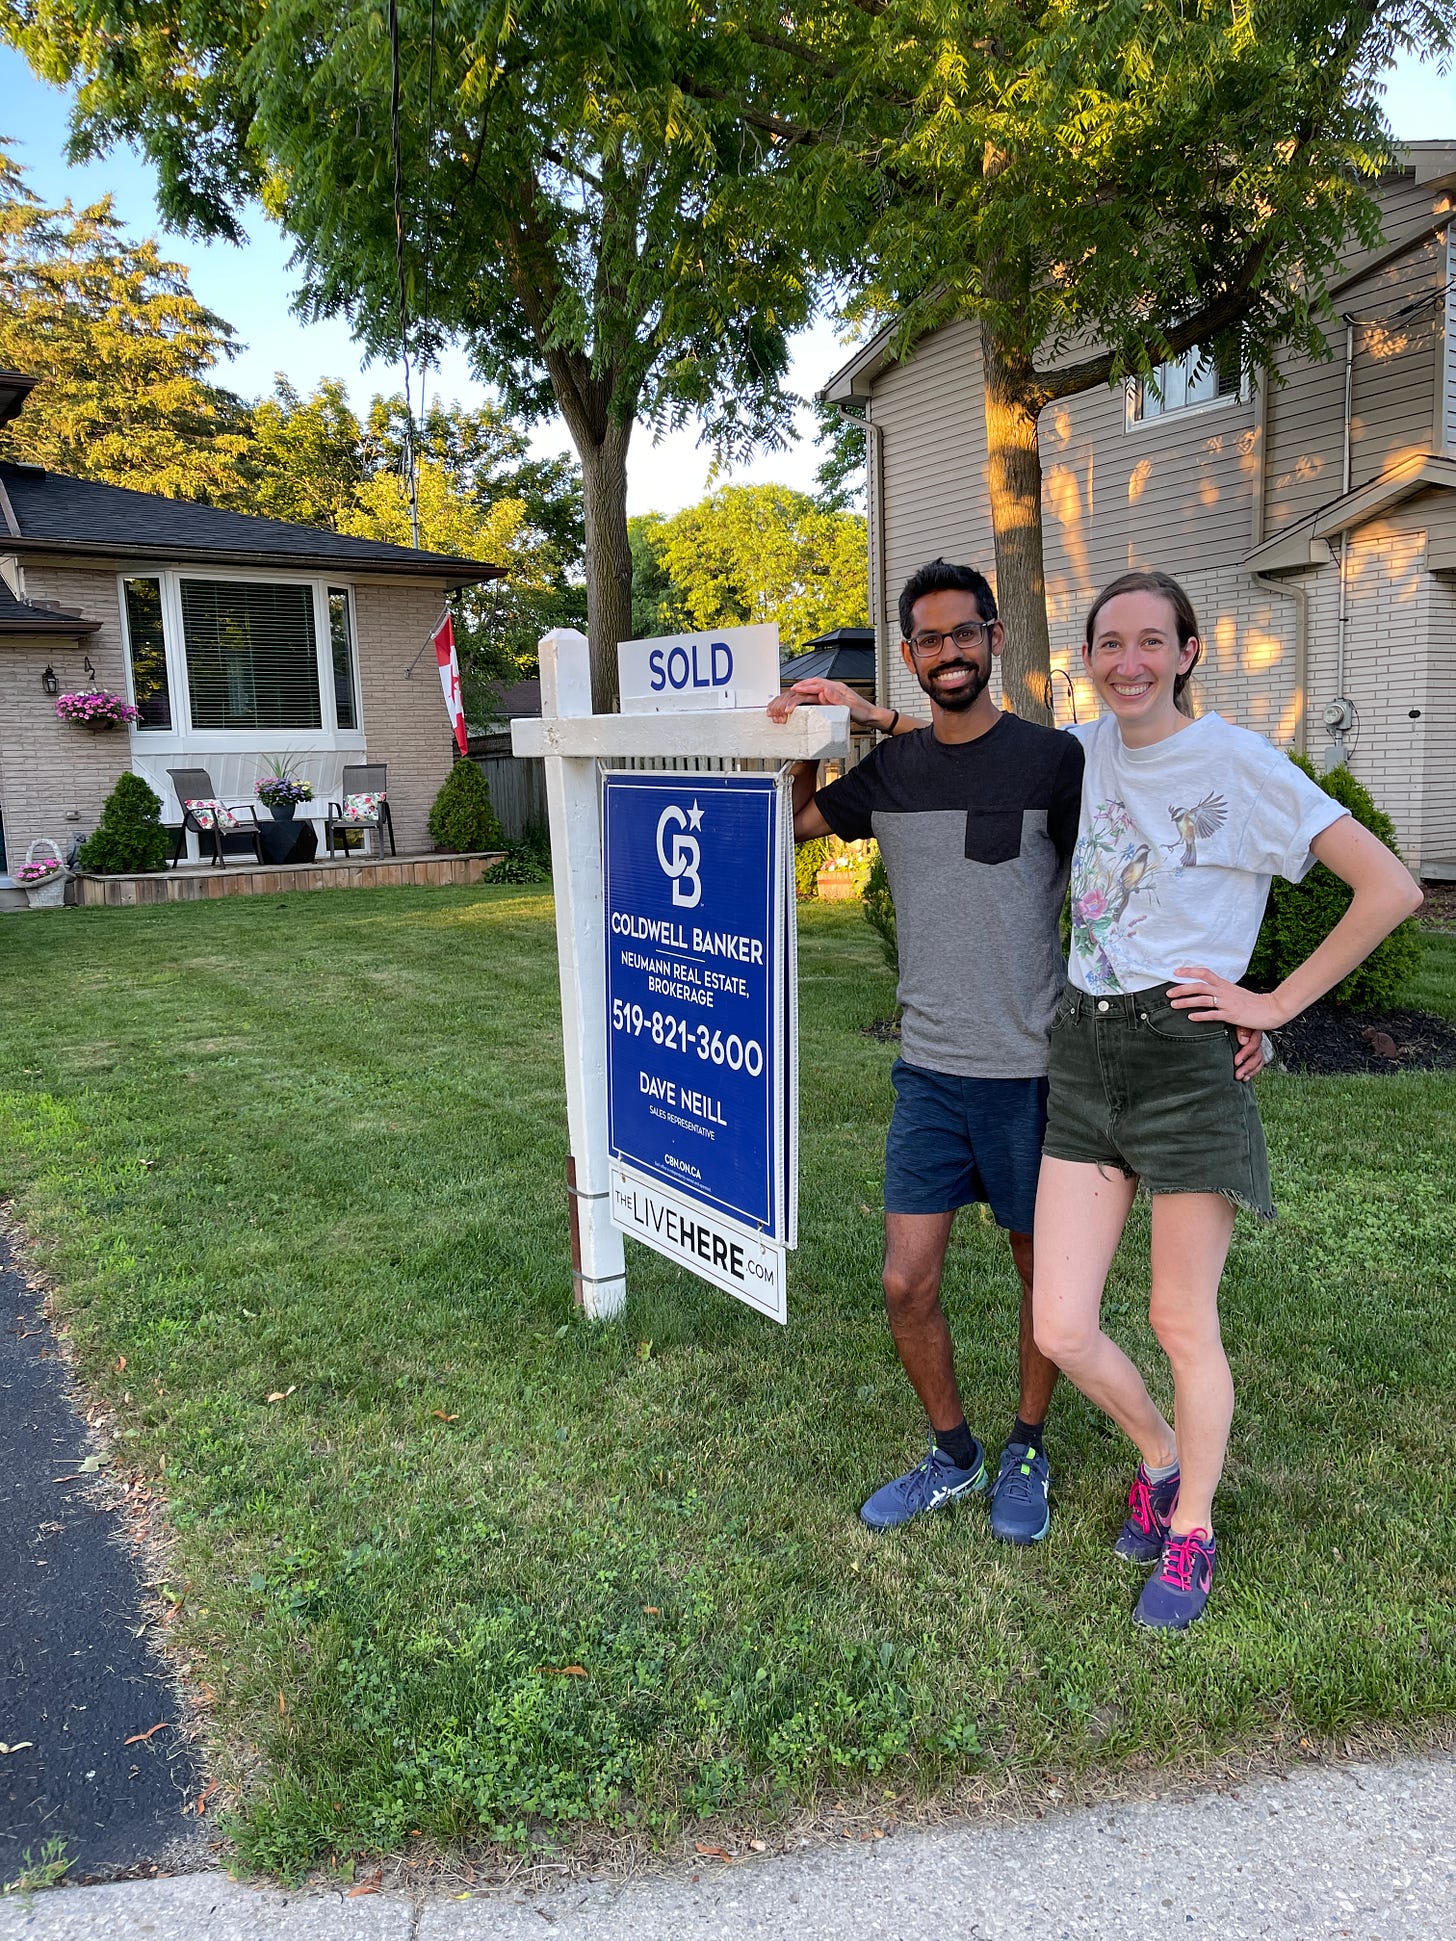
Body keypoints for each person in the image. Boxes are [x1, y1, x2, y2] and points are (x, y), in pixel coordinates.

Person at [771, 559, 1256, 1541]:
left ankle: (1027, 1444)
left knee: (1045, 1285)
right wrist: (815, 740)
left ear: (994, 639)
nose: (948, 652)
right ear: (909, 654)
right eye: (929, 639)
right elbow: (793, 826)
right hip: (927, 1072)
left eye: (965, 633)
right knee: (905, 1281)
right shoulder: (892, 773)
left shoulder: (1054, 762)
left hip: (1037, 1073)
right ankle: (953, 1453)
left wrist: (1238, 998)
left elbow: (1144, 874)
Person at [1031, 568, 1422, 1629]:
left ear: (1188, 652)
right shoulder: (1084, 748)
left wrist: (1271, 1005)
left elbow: (1390, 887)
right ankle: (1158, 1455)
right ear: (1088, 658)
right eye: (1109, 644)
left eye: (1151, 642)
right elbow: (977, 748)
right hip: (1084, 1052)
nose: (1129, 663)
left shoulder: (1240, 764)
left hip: (1183, 1058)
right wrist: (870, 712)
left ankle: (1192, 1526)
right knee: (1060, 1325)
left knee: (1177, 1316)